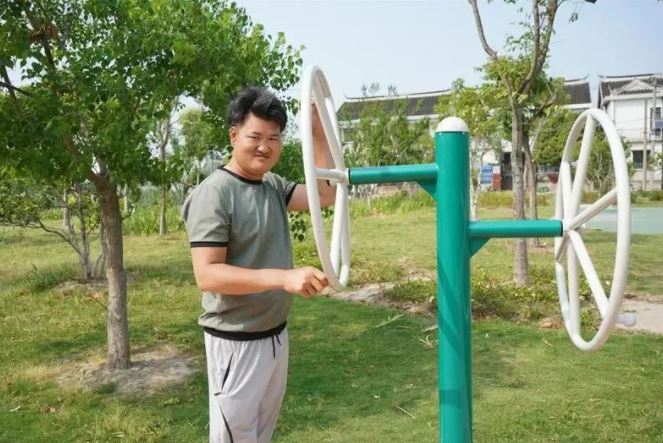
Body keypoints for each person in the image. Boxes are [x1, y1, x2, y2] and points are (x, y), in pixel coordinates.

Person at [182, 86, 336, 443]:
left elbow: (325, 194)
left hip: (275, 334)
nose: (264, 146)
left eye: (274, 138)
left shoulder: (272, 185)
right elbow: (207, 274)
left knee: (260, 435)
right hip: (235, 342)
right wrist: (283, 278)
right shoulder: (214, 193)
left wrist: (317, 131)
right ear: (234, 136)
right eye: (255, 137)